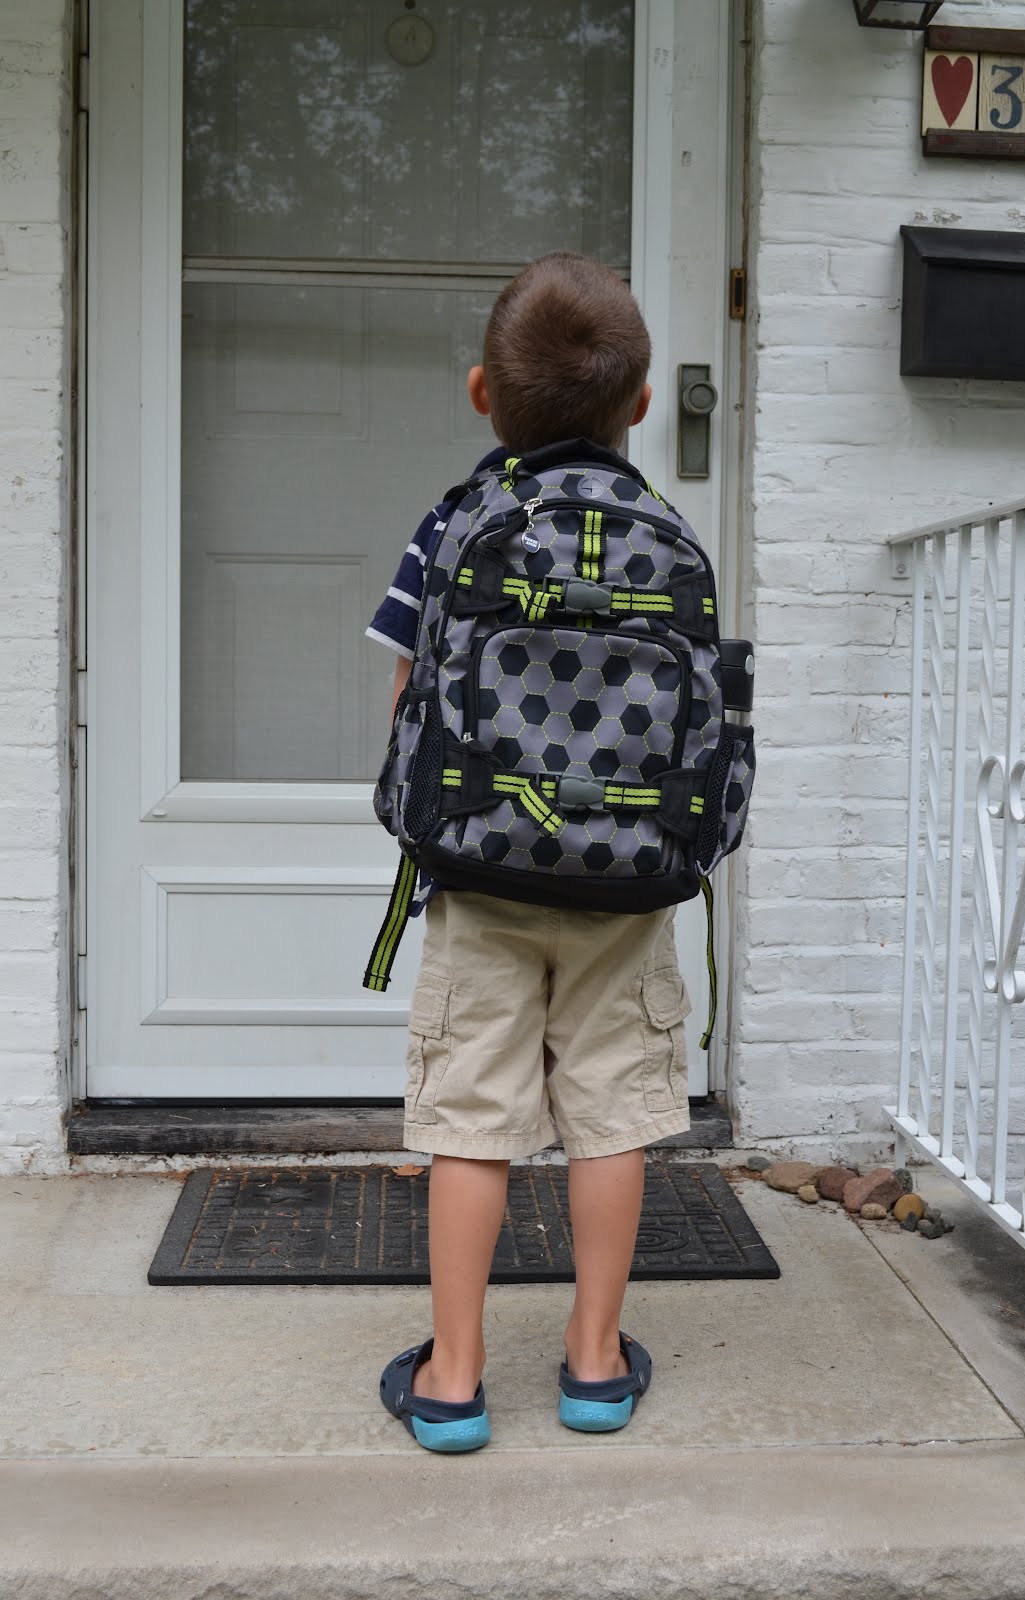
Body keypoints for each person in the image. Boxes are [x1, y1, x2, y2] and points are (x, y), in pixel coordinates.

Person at [369, 253, 692, 1453]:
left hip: (479, 878)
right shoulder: (664, 531)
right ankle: (594, 1365)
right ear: (641, 406)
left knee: (470, 1119)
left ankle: (452, 1379)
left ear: (477, 394)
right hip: (626, 887)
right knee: (612, 1118)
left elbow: (410, 694)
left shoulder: (455, 523)